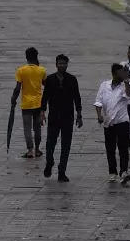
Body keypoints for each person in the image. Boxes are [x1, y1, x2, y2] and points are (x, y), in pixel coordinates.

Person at [40, 53, 82, 181]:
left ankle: (61, 171)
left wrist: (79, 114)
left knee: (66, 145)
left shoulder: (72, 79)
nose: (62, 65)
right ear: (56, 64)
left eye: (64, 63)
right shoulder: (50, 79)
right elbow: (45, 97)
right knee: (50, 143)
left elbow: (77, 98)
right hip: (53, 116)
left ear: (67, 65)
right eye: (60, 63)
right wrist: (42, 112)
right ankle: (49, 162)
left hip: (67, 117)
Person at [95, 62, 130, 184]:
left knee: (123, 148)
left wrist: (127, 81)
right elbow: (98, 102)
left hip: (122, 121)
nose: (122, 74)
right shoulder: (104, 85)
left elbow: (128, 94)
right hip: (108, 122)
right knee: (110, 148)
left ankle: (124, 172)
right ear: (114, 73)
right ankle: (112, 172)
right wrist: (99, 115)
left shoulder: (125, 85)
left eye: (123, 72)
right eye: (120, 72)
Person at [13, 47, 46, 158]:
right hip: (38, 104)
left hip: (26, 104)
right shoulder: (42, 70)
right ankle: (37, 149)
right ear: (36, 56)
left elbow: (18, 88)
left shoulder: (21, 70)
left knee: (27, 128)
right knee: (37, 128)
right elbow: (46, 84)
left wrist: (13, 99)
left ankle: (30, 150)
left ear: (26, 57)